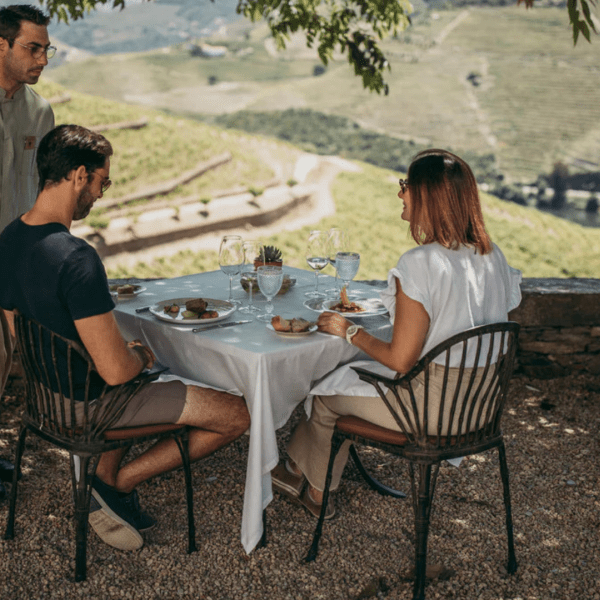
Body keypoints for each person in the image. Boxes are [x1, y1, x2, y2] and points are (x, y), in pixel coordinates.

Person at [0, 124, 251, 551]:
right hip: (91, 408)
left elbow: (14, 332)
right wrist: (137, 355)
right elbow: (117, 373)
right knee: (239, 414)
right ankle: (116, 483)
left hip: (45, 400)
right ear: (80, 175)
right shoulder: (77, 259)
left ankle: (105, 477)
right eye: (103, 181)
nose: (101, 193)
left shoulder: (8, 239)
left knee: (145, 370)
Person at [271, 148, 522, 519]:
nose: (400, 193)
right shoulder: (492, 255)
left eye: (406, 185)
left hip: (432, 412)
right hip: (479, 406)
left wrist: (349, 330)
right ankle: (295, 469)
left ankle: (315, 492)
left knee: (326, 393)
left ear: (428, 196)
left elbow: (401, 359)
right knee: (345, 378)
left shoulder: (420, 264)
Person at [0, 4, 56, 502]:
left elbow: (40, 193)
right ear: (1, 45)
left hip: (13, 259)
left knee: (2, 357)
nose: (41, 57)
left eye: (45, 49)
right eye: (31, 48)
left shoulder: (40, 113)